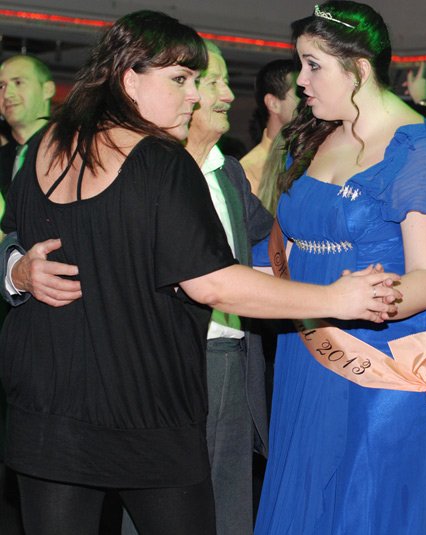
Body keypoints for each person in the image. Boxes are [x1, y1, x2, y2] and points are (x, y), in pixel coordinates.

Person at [0, 10, 400, 535]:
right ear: (130, 79)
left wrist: (15, 269)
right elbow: (211, 281)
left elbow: (15, 236)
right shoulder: (161, 161)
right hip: (143, 409)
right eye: (180, 79)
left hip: (46, 410)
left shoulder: (44, 145)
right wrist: (336, 298)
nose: (194, 95)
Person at [252, 2, 426, 533]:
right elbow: (288, 244)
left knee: (362, 507)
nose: (301, 80)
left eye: (313, 65)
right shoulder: (315, 135)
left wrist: (363, 301)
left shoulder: (419, 150)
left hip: (381, 357)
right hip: (308, 349)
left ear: (360, 69)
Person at [118, 40, 272, 535]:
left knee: (229, 513)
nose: (227, 95)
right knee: (157, 515)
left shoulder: (229, 174)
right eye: (211, 82)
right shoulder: (134, 169)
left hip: (231, 363)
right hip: (160, 373)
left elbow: (272, 249)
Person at [240, 59, 299, 194]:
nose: (308, 100)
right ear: (273, 104)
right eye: (300, 94)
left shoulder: (317, 157)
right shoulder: (249, 171)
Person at [0, 55, 55, 195]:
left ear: (47, 90)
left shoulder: (70, 150)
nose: (7, 94)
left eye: (18, 83)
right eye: (1, 86)